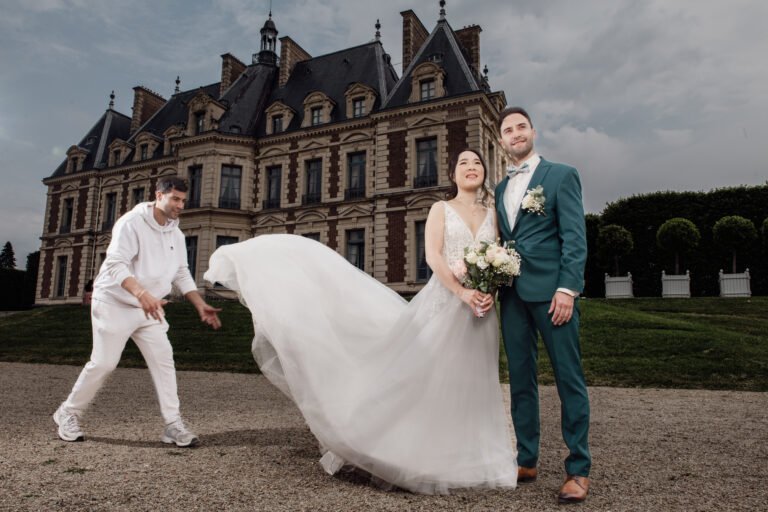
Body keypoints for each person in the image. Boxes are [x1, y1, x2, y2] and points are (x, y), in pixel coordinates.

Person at [204, 149, 517, 494]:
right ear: (453, 174)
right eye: (463, 163)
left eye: (477, 163)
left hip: (482, 312)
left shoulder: (493, 216)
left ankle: (469, 453)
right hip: (446, 303)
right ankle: (406, 449)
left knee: (473, 380)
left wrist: (488, 291)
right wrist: (461, 293)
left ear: (485, 173)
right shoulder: (439, 209)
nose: (471, 167)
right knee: (426, 376)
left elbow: (496, 259)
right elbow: (433, 256)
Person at [54, 177, 222, 447]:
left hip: (149, 308)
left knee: (164, 362)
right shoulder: (130, 223)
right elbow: (116, 265)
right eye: (175, 199)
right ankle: (68, 413)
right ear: (159, 195)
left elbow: (181, 272)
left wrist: (199, 303)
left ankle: (173, 425)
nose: (180, 205)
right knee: (104, 363)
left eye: (183, 201)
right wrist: (142, 294)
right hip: (114, 303)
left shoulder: (177, 234)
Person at [494, 106, 591, 503]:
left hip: (553, 294)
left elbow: (575, 236)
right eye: (507, 130)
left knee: (569, 378)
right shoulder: (501, 189)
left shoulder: (561, 175)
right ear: (501, 140)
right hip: (512, 295)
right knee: (520, 380)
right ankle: (526, 458)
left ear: (533, 132)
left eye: (521, 127)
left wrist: (567, 289)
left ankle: (578, 469)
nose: (515, 134)